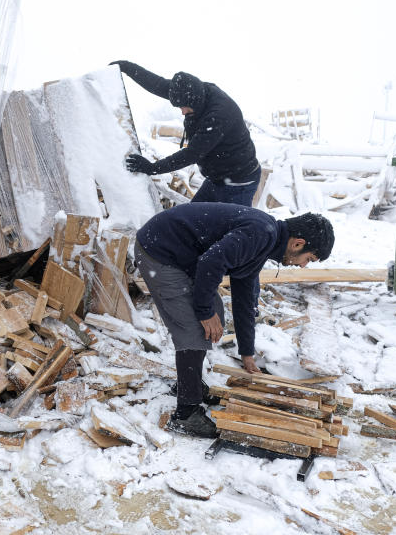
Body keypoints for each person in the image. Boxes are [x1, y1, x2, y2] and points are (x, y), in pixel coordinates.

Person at [135, 203, 334, 437]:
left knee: (214, 310)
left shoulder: (265, 240)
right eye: (307, 259)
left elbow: (244, 296)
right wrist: (203, 312)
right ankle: (186, 413)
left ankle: (191, 383)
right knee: (194, 326)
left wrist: (247, 352)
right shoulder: (260, 234)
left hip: (179, 253)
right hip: (159, 251)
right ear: (297, 244)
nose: (303, 265)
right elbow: (210, 262)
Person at [111, 60, 261, 205]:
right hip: (216, 179)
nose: (182, 112)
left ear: (195, 101)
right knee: (193, 222)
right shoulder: (191, 91)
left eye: (185, 107)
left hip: (239, 182)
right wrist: (126, 67)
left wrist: (152, 168)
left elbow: (192, 154)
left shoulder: (218, 115)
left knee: (232, 226)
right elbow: (157, 84)